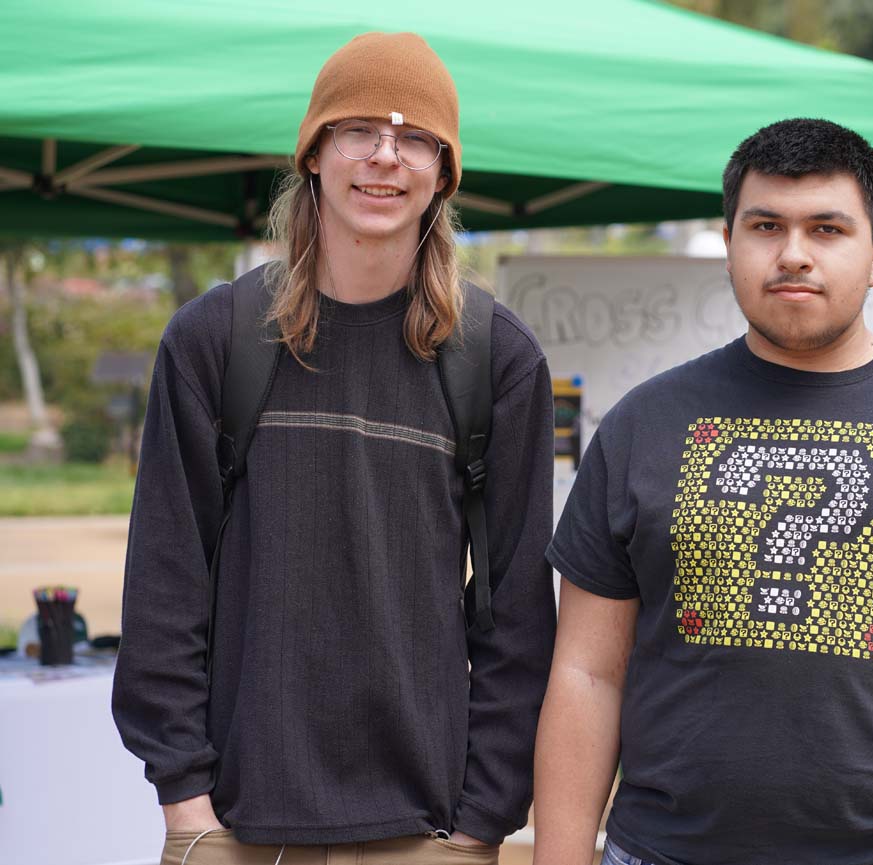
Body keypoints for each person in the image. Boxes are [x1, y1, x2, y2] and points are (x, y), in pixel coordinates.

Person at [533, 118, 873, 865]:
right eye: (765, 226)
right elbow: (586, 672)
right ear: (728, 242)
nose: (793, 254)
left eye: (827, 228)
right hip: (667, 851)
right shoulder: (642, 425)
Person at [113, 32, 556, 865]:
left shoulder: (497, 359)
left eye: (415, 139)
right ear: (314, 153)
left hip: (426, 831)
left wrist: (478, 823)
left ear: (442, 173)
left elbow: (518, 616)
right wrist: (185, 804)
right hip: (235, 825)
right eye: (359, 131)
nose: (385, 159)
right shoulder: (215, 339)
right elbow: (166, 583)